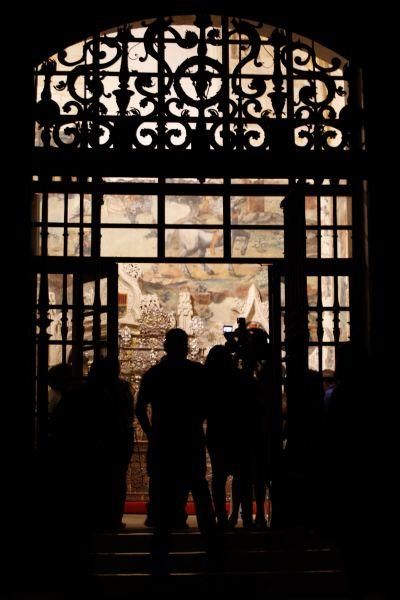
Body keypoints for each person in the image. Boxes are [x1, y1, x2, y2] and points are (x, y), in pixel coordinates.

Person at [136, 328, 217, 574]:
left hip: (164, 440)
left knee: (162, 495)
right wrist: (195, 421)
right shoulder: (197, 373)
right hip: (190, 439)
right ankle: (212, 547)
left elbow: (140, 408)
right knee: (200, 491)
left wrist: (152, 432)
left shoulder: (155, 374)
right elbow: (210, 404)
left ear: (165, 346)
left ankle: (160, 554)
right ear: (186, 347)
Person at [87, 356, 134, 529]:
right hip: (119, 438)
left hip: (100, 439)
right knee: (117, 479)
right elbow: (131, 411)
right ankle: (114, 516)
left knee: (99, 478)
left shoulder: (89, 389)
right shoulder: (123, 388)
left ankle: (98, 515)